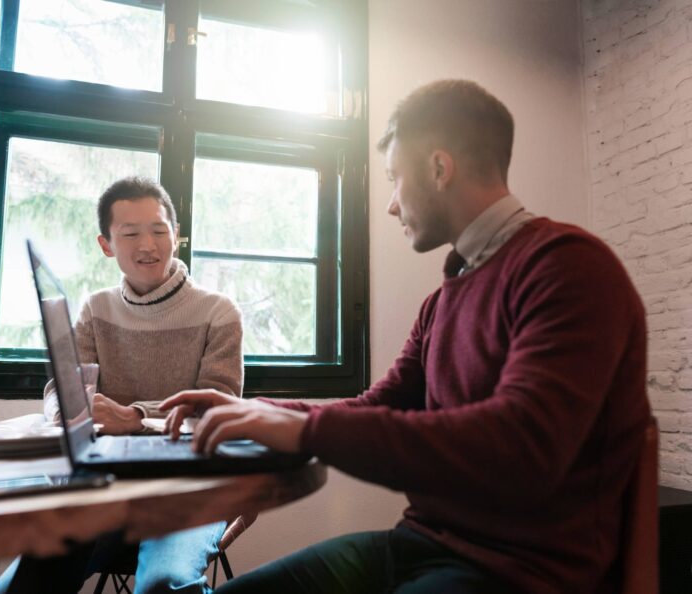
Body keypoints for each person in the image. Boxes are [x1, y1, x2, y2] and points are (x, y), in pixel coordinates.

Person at [159, 80, 651, 594]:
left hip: (518, 574)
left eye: (395, 179)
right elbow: (380, 405)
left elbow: (521, 447)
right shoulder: (446, 295)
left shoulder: (569, 268)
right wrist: (256, 413)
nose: (392, 205)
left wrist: (303, 432)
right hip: (418, 546)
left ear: (440, 169)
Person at [0, 177, 243, 594]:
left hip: (189, 488)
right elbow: (61, 385)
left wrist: (135, 417)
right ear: (106, 244)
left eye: (160, 230)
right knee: (23, 582)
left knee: (165, 583)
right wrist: (67, 409)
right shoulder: (96, 308)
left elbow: (216, 408)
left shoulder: (218, 312)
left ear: (177, 235)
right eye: (130, 234)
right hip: (105, 486)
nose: (148, 244)